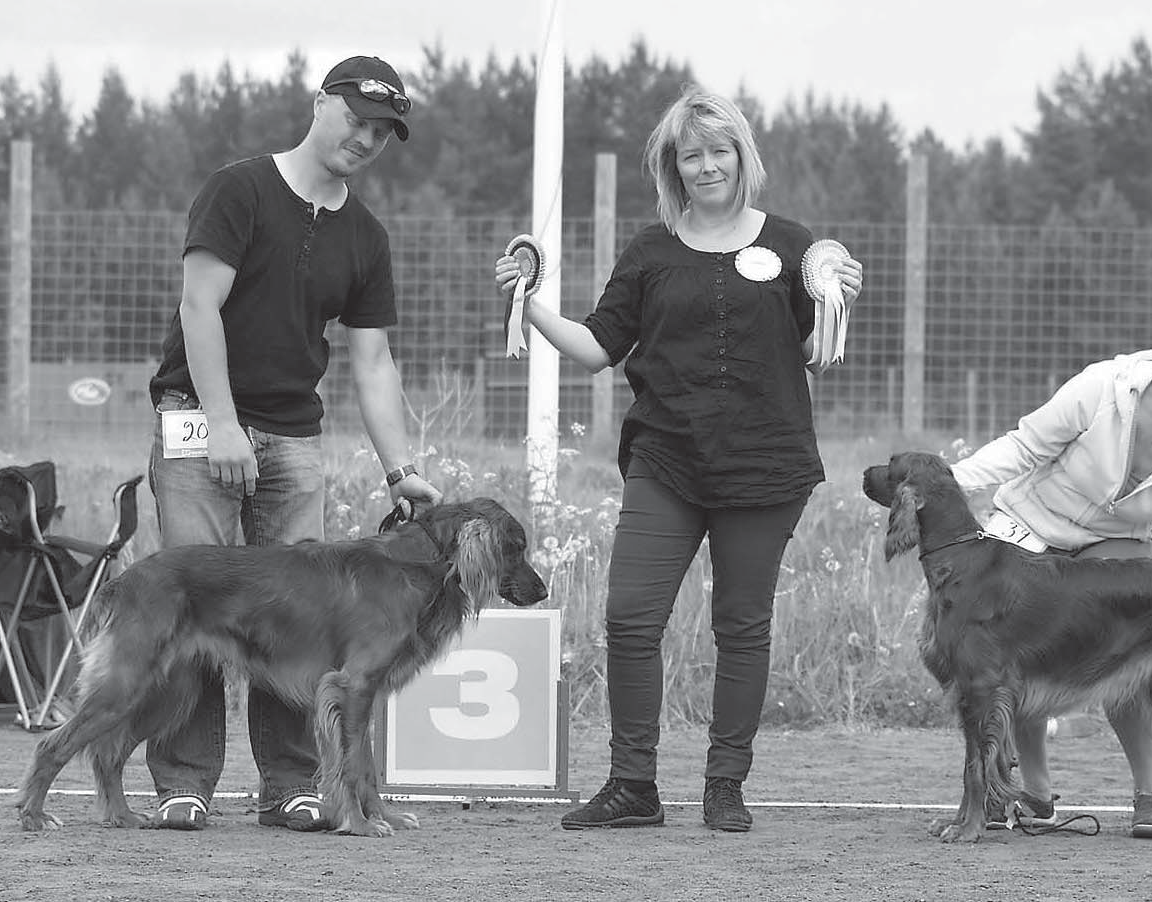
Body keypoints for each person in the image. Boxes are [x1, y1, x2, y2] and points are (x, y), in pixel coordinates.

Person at [495, 88, 862, 832]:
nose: (705, 166)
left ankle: (724, 785)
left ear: (741, 157)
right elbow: (599, 346)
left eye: (717, 151)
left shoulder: (793, 246)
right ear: (672, 166)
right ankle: (633, 787)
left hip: (765, 467)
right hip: (665, 460)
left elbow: (813, 358)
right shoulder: (650, 250)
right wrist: (527, 305)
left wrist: (834, 305)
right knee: (629, 619)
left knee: (741, 625)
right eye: (690, 154)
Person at [145, 55, 442, 832]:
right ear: (320, 105)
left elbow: (371, 362)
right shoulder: (238, 189)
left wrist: (400, 469)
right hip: (199, 419)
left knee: (304, 614)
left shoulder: (366, 235)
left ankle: (290, 787)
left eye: (384, 131)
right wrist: (221, 425)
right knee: (193, 602)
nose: (368, 138)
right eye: (357, 118)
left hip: (294, 436)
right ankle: (184, 782)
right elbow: (198, 308)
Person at [949, 331, 1152, 838]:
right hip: (1032, 523)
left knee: (1139, 636)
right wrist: (949, 483)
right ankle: (1032, 794)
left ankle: (1150, 795)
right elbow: (1023, 448)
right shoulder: (1104, 390)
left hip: (1115, 541)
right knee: (1014, 646)